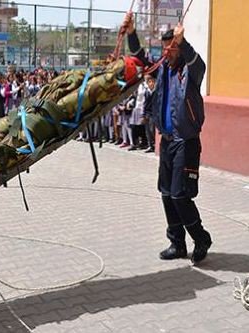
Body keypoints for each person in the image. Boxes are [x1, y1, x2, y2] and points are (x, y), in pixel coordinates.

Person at [124, 12, 212, 263]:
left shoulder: (190, 71)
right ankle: (177, 243)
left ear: (178, 48)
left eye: (171, 48)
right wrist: (131, 33)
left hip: (187, 141)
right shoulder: (162, 69)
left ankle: (201, 237)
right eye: (165, 48)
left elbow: (198, 62)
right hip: (168, 142)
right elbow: (141, 59)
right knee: (165, 192)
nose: (167, 53)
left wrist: (183, 42)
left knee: (179, 194)